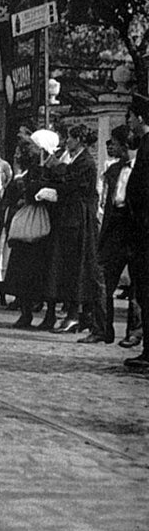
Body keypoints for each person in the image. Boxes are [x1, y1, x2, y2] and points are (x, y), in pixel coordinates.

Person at [40, 123, 103, 336]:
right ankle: (75, 315)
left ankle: (75, 315)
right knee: (67, 266)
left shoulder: (85, 162)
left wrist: (57, 168)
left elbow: (70, 183)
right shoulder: (74, 158)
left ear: (78, 140)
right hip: (69, 217)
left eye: (70, 138)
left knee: (77, 266)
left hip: (79, 219)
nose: (67, 141)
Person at [85, 125, 139, 345]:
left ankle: (134, 332)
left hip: (135, 231)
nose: (110, 147)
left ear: (124, 144)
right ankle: (101, 329)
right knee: (102, 280)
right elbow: (106, 204)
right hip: (113, 231)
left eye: (114, 143)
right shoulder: (112, 171)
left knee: (137, 284)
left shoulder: (142, 169)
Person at [0, 142, 51, 328]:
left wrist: (24, 191)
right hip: (27, 229)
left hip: (33, 228)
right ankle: (26, 311)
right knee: (25, 273)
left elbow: (33, 193)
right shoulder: (26, 175)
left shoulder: (36, 173)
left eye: (20, 152)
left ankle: (28, 312)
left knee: (30, 273)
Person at [123, 92, 149, 370]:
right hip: (141, 226)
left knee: (145, 289)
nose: (128, 121)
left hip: (144, 229)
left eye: (130, 116)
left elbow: (142, 190)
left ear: (140, 117)